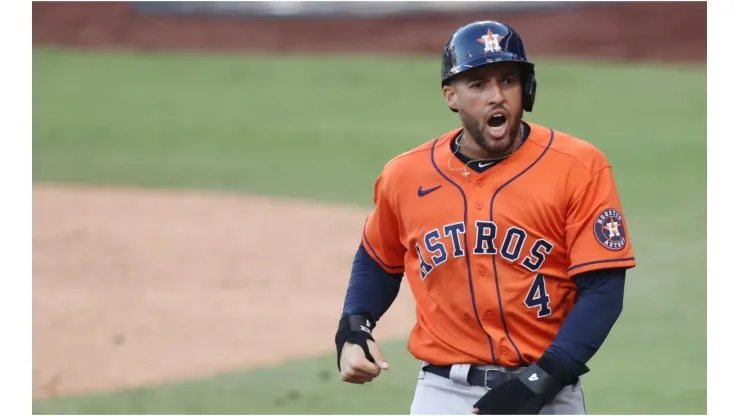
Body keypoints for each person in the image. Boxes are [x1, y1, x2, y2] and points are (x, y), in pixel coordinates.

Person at [334, 20, 636, 415]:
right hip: (444, 394)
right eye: (478, 84)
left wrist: (541, 381)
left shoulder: (578, 166)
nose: (497, 96)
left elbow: (603, 290)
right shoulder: (405, 176)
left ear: (526, 90)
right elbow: (378, 259)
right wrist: (354, 326)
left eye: (508, 81)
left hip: (550, 389)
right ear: (451, 96)